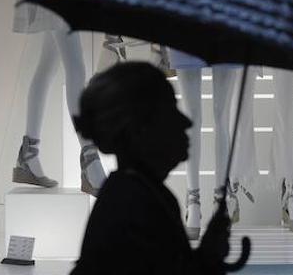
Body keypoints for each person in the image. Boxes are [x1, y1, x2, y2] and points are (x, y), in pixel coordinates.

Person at [71, 63, 241, 274]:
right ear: (139, 129)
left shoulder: (134, 194)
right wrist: (207, 259)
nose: (186, 122)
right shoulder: (136, 204)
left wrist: (206, 256)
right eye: (170, 111)